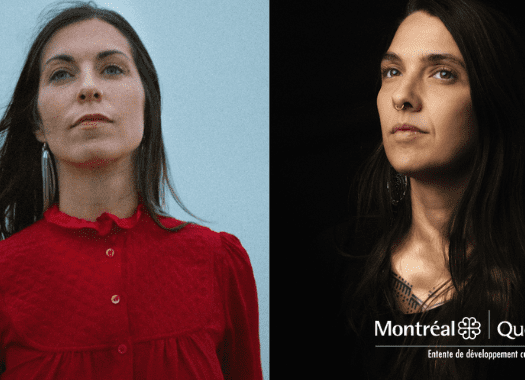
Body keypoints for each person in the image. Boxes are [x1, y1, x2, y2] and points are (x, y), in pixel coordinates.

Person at [0, 2, 262, 379]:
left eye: (111, 69)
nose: (88, 88)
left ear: (146, 106)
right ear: (37, 122)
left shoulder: (218, 264)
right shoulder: (6, 275)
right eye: (61, 74)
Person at [314, 0, 525, 379]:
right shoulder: (333, 262)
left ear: (492, 97)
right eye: (392, 71)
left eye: (442, 73)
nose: (402, 96)